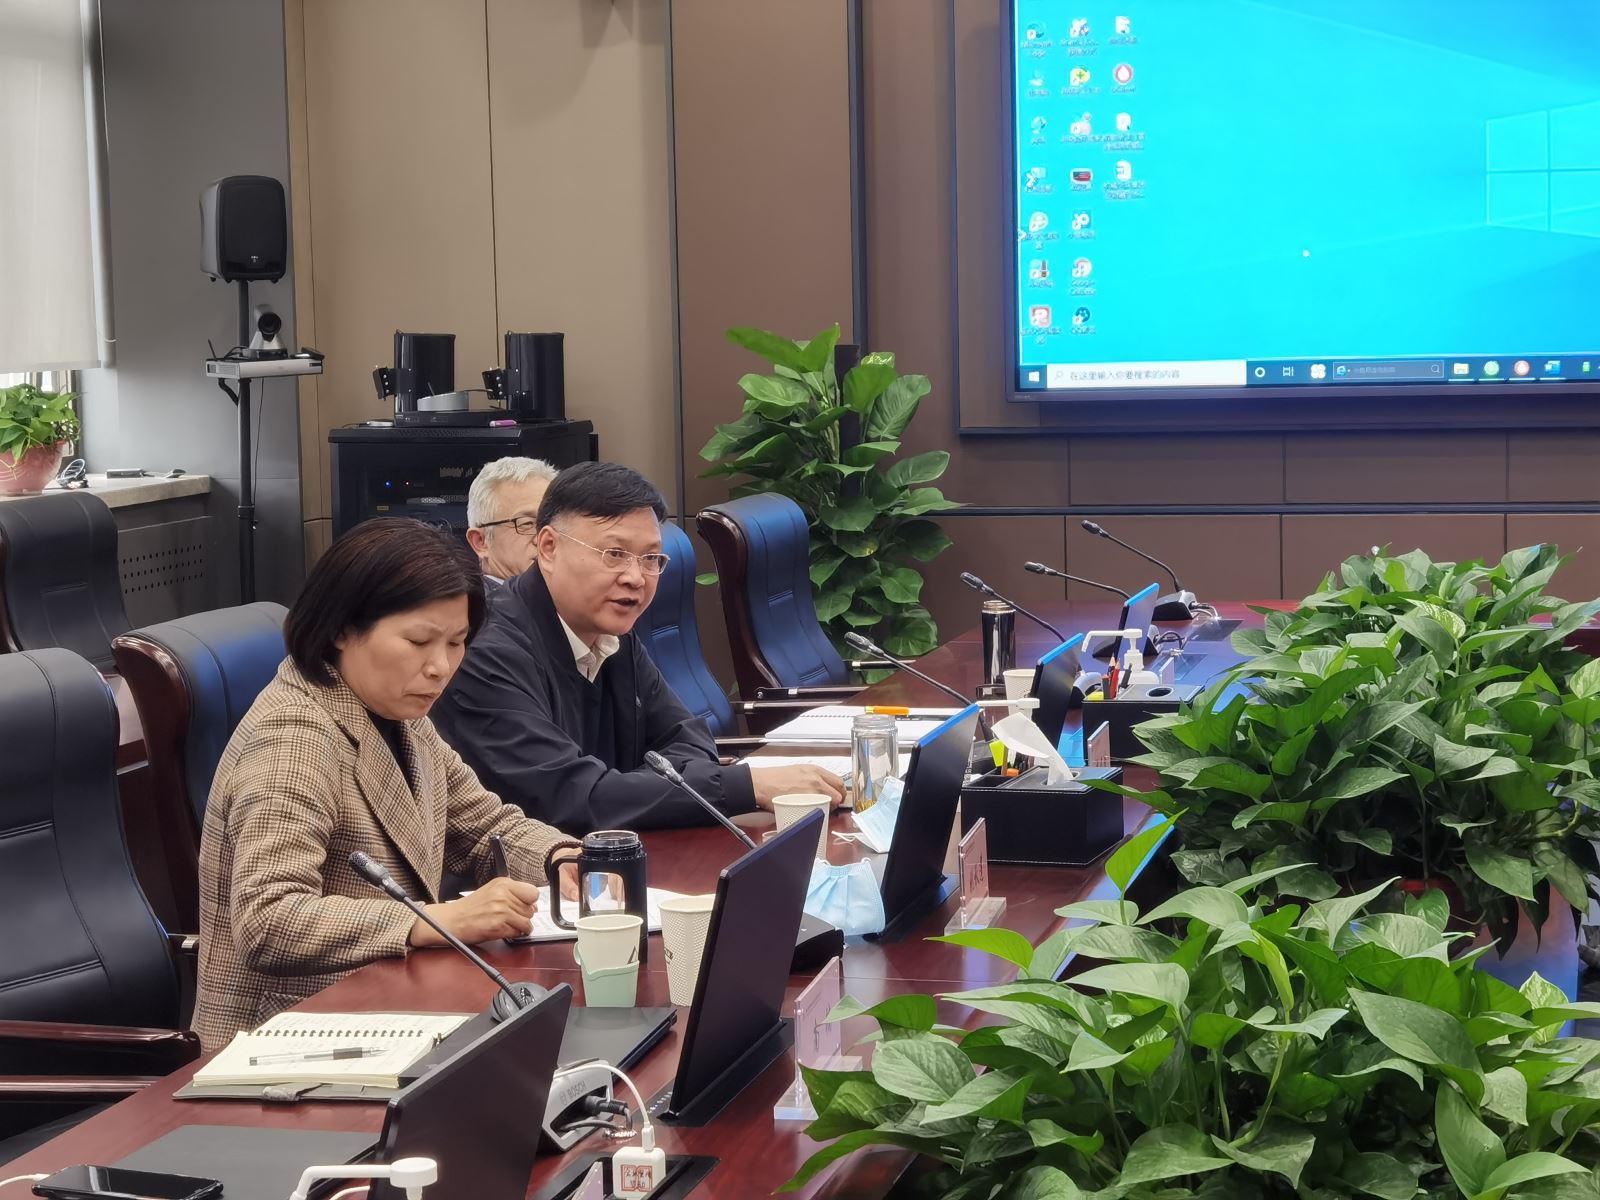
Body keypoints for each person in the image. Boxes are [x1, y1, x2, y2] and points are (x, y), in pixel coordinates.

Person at [193, 518, 577, 1051]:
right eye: (419, 641)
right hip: (284, 1044)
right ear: (341, 629)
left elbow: (483, 826)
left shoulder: (397, 711)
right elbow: (269, 918)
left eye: (457, 642)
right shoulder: (294, 736)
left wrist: (564, 857)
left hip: (389, 1012)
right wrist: (436, 920)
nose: (440, 667)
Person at [432, 461, 845, 834]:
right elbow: (570, 798)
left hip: (619, 855)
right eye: (614, 554)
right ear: (549, 548)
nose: (635, 577)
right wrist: (746, 786)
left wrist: (628, 792)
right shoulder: (485, 651)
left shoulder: (610, 631)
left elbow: (688, 736)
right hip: (523, 880)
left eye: (651, 559)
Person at [464, 456, 559, 586]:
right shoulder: (472, 599)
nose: (546, 538)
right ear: (481, 541)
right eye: (527, 523)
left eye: (552, 522)